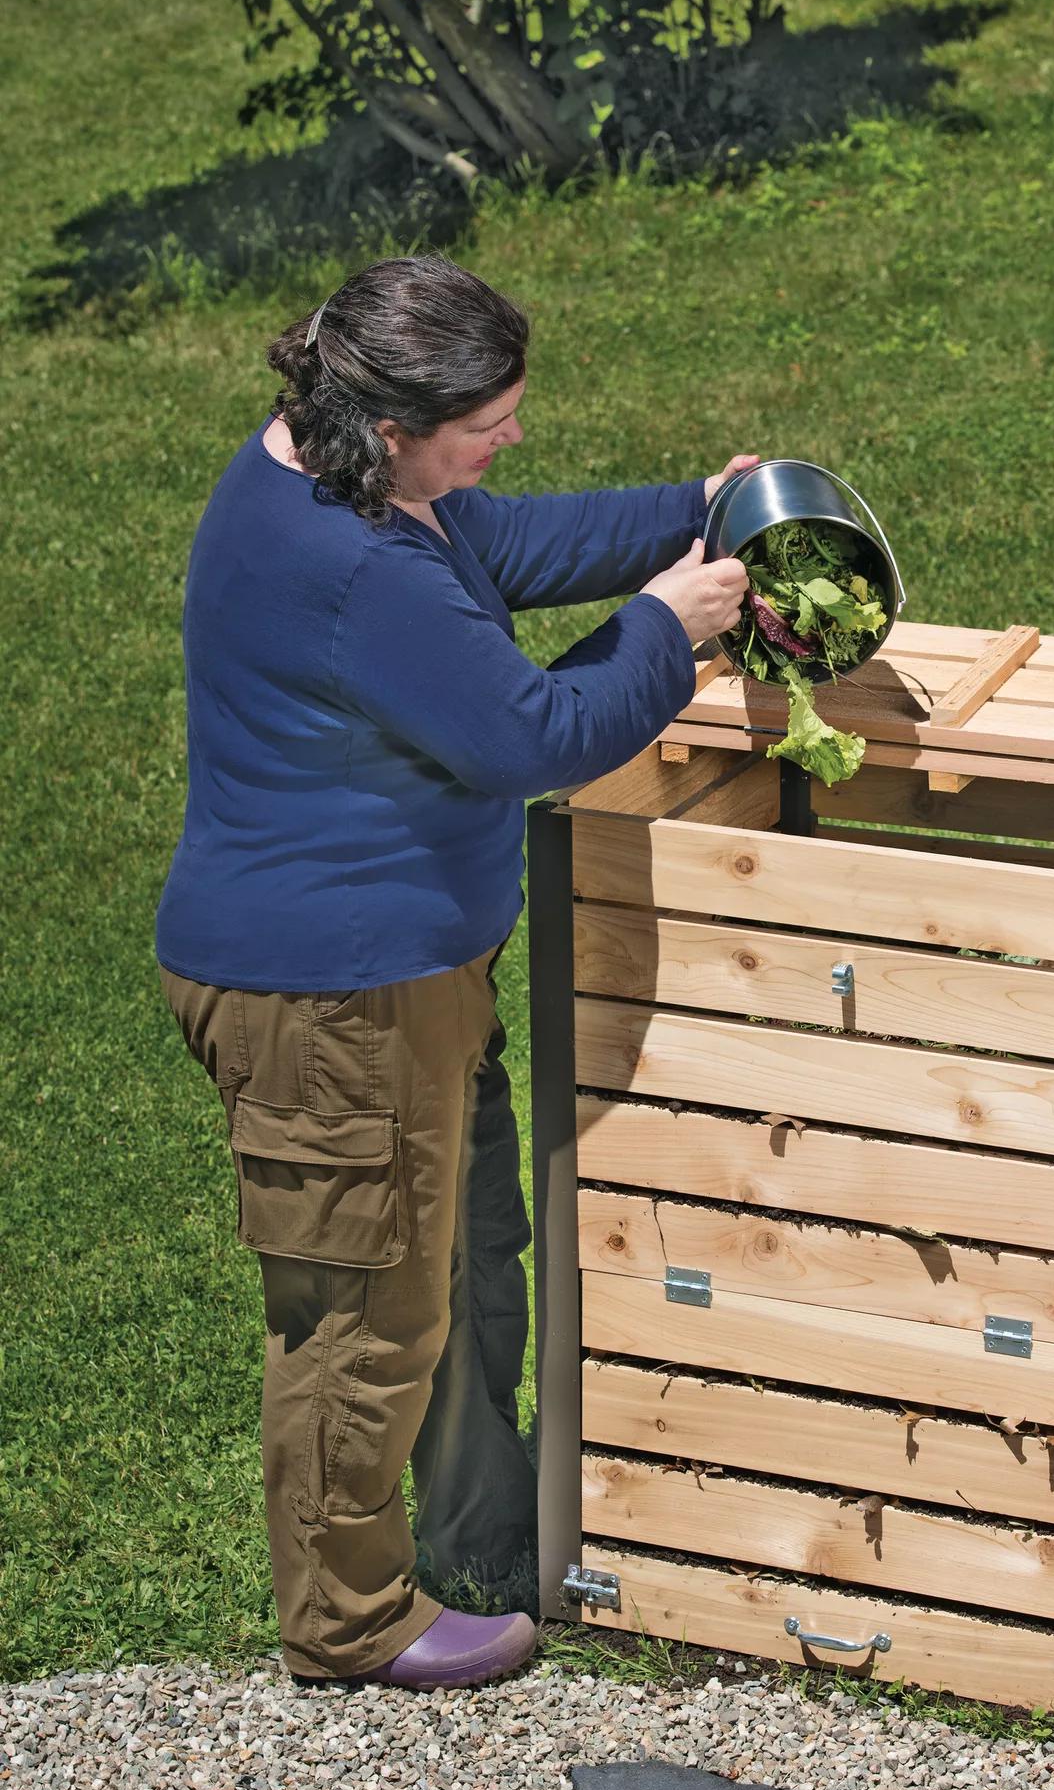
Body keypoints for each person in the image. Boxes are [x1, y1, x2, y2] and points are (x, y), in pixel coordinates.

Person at [155, 253, 750, 1694]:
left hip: (401, 981)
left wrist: (704, 511)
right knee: (363, 1319)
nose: (512, 443)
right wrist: (673, 624)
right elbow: (539, 735)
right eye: (488, 426)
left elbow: (514, 546)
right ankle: (351, 1621)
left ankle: (479, 1533)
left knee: (463, 1261)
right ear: (399, 425)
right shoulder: (355, 570)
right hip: (332, 1002)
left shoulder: (347, 483)